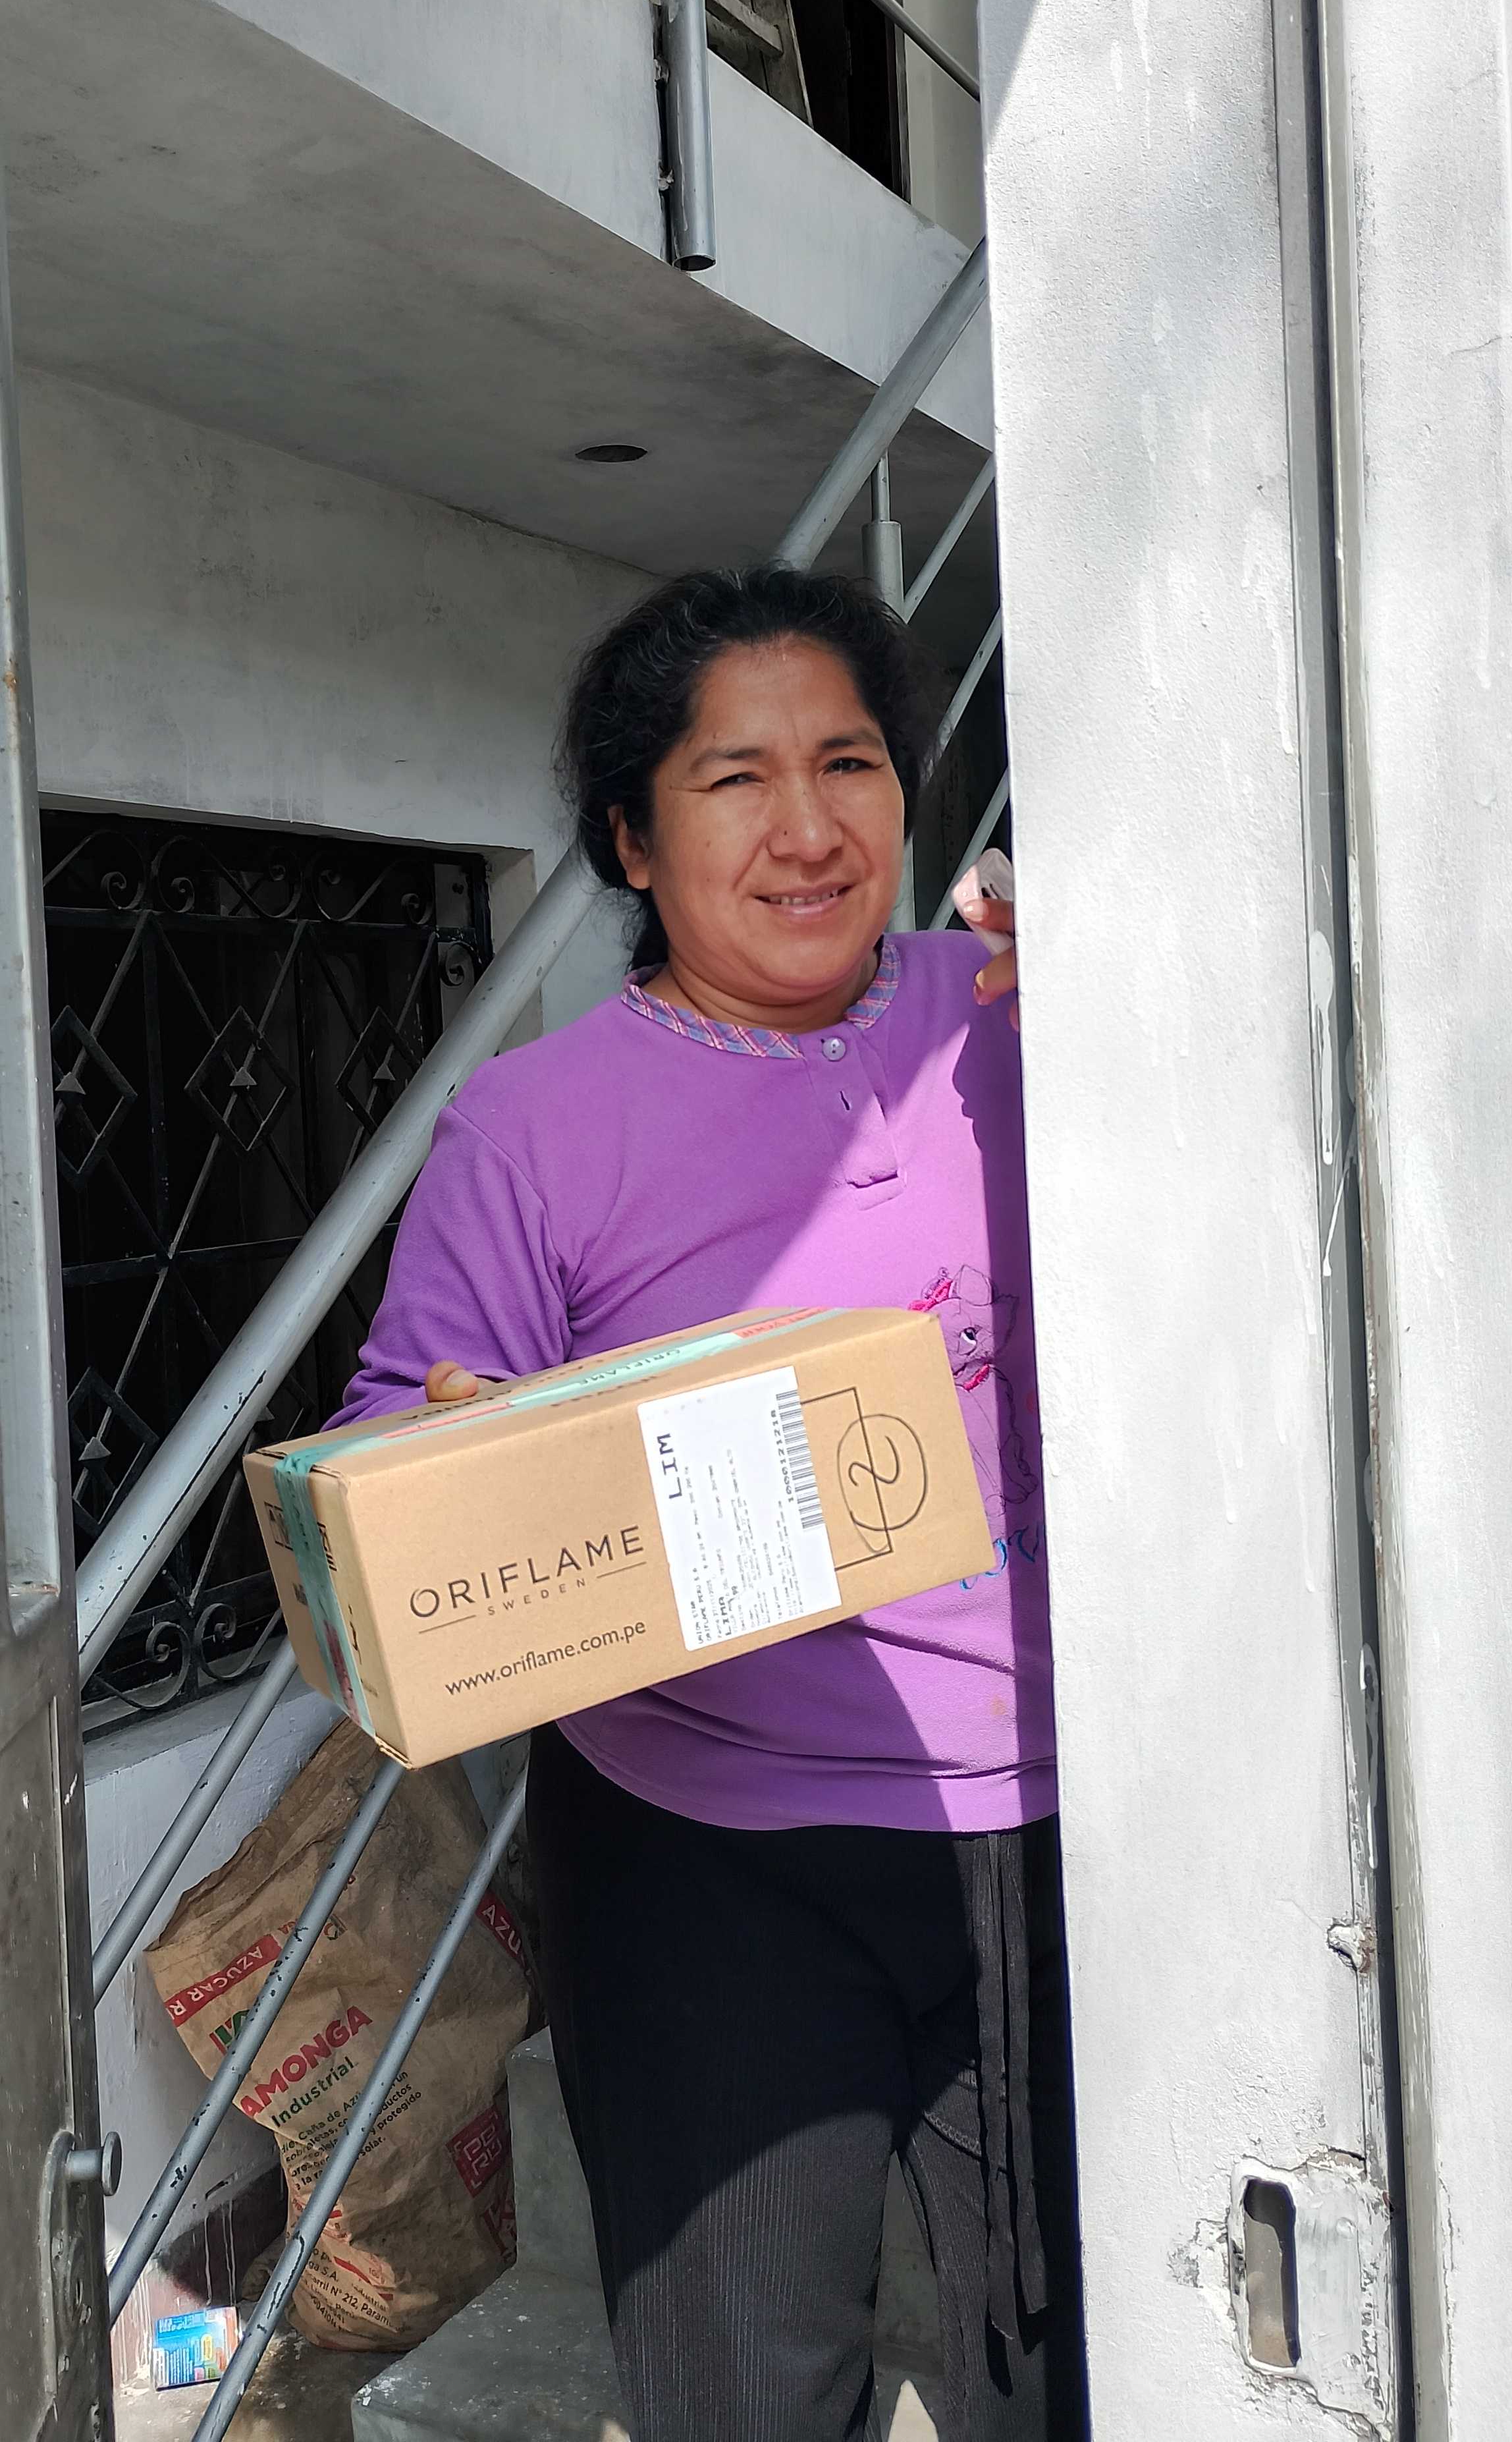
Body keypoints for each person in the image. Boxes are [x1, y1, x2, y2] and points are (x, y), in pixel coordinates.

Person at [333, 567, 1089, 2442]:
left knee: (1092, 2365)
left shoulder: (1022, 1013)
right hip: (706, 1852)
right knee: (746, 2398)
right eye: (736, 779)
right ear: (631, 839)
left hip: (1072, 1817)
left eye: (850, 763)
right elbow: (383, 1466)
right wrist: (469, 1458)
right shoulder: (534, 1128)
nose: (809, 830)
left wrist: (1150, 983)